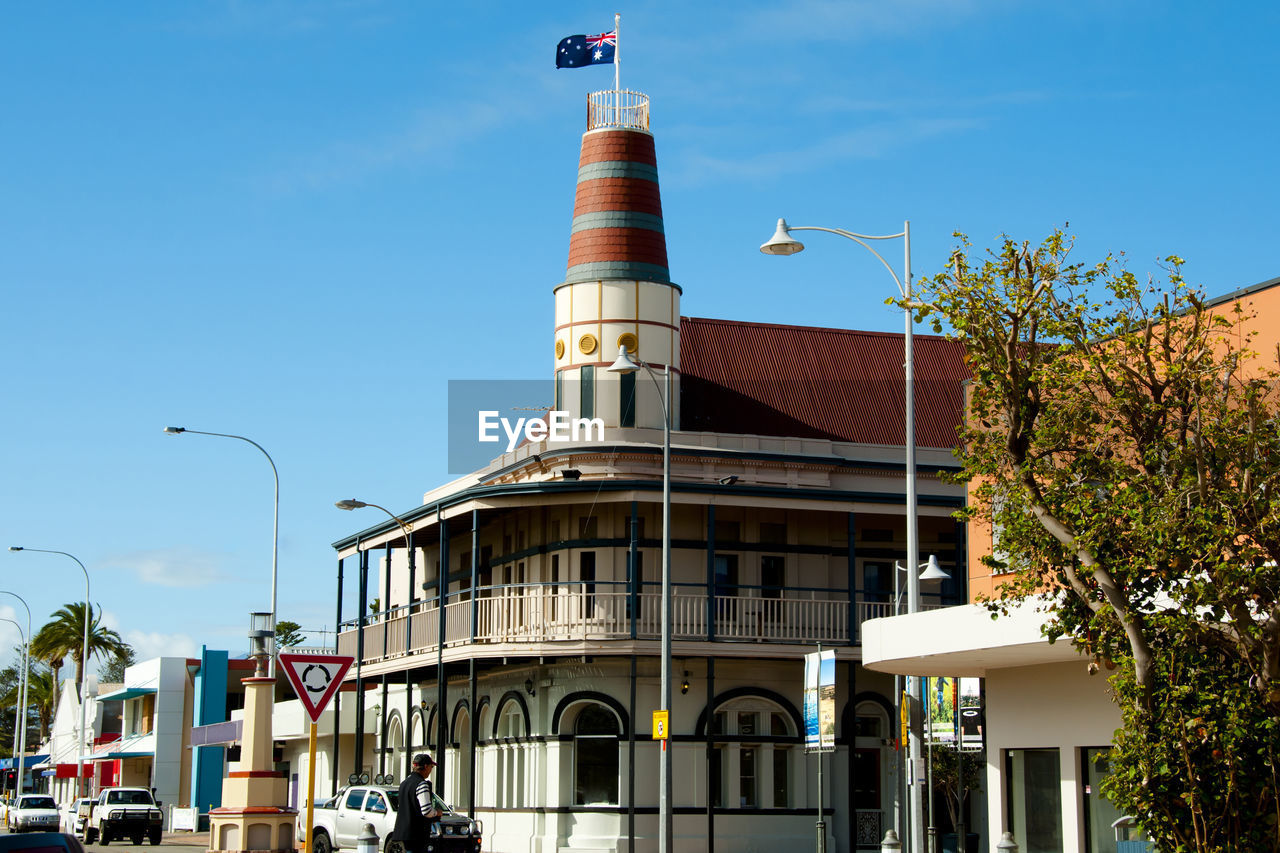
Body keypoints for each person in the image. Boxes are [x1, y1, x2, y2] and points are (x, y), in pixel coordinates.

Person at [391, 753, 442, 853]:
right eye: (431, 767)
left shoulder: (404, 783)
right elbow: (426, 810)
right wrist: (437, 812)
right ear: (426, 766)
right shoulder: (421, 784)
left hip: (403, 832)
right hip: (417, 833)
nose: (431, 770)